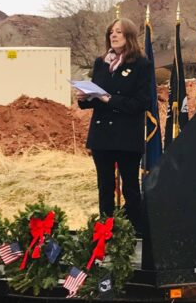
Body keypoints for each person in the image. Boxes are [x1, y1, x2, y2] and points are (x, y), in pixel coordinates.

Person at [77, 18, 152, 235]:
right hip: (102, 136)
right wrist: (84, 97)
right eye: (111, 32)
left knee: (130, 187)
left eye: (118, 32)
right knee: (105, 187)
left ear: (129, 36)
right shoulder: (101, 63)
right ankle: (105, 234)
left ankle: (138, 234)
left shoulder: (141, 64)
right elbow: (94, 98)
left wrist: (110, 100)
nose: (113, 35)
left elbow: (142, 103)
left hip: (127, 135)